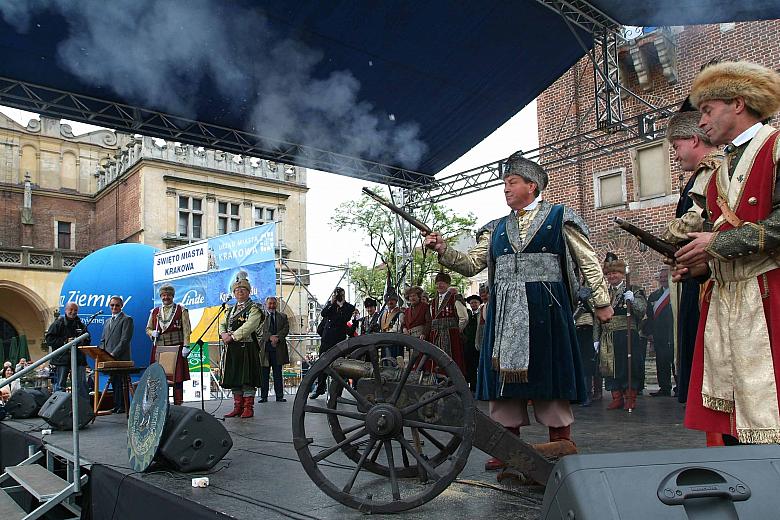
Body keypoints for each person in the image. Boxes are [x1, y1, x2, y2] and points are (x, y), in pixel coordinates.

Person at [425, 153, 612, 469]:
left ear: (532, 185)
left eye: (512, 183)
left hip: (548, 310)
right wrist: (443, 249)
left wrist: (602, 301)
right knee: (504, 383)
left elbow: (588, 260)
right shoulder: (495, 228)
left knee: (550, 376)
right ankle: (507, 448)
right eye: (504, 184)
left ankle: (560, 444)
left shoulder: (561, 218)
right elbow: (472, 265)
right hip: (504, 312)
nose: (506, 190)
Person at [674, 61, 780, 444]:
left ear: (738, 103)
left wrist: (715, 244)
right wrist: (699, 264)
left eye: (707, 109)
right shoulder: (720, 169)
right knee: (731, 416)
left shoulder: (776, 145)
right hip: (727, 301)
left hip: (769, 296)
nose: (701, 122)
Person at [661, 110, 722, 404]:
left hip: (716, 285)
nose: (675, 154)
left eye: (676, 146)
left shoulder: (713, 171)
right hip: (698, 279)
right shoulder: (698, 177)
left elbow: (695, 227)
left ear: (694, 140)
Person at [597, 254, 647, 411]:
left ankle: (630, 397)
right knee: (610, 367)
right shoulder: (603, 293)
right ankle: (616, 397)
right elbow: (596, 316)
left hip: (626, 334)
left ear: (622, 274)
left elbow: (642, 311)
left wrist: (632, 300)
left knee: (629, 366)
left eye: (615, 273)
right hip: (608, 336)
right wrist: (595, 339)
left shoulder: (634, 290)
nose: (612, 276)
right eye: (609, 274)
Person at [219, 274, 264, 418]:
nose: (240, 292)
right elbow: (222, 324)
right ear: (233, 293)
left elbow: (250, 325)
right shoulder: (230, 309)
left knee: (247, 377)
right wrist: (223, 334)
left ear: (249, 292)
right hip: (233, 348)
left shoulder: (254, 308)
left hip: (247, 347)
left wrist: (232, 336)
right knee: (235, 377)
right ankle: (237, 406)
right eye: (237, 290)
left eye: (243, 290)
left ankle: (248, 407)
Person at [147, 285, 191, 406]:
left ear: (173, 296)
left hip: (177, 347)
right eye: (163, 295)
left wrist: (186, 346)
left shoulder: (181, 310)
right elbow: (148, 328)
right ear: (161, 296)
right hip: (159, 349)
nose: (166, 297)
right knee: (159, 378)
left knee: (177, 378)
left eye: (168, 295)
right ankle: (161, 405)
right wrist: (152, 333)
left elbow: (187, 329)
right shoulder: (155, 312)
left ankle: (178, 404)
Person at [310, 287, 355, 399]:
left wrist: (341, 305)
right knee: (322, 365)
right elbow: (324, 314)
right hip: (326, 341)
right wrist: (332, 303)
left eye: (340, 294)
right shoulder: (330, 306)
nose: (338, 296)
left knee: (339, 367)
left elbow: (344, 318)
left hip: (338, 341)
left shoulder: (349, 307)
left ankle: (337, 392)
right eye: (336, 294)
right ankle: (320, 388)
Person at [45, 302, 90, 399]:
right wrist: (65, 341)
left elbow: (88, 340)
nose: (73, 312)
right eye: (71, 309)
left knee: (81, 385)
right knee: (60, 385)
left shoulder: (81, 325)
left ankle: (83, 409)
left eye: (75, 310)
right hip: (61, 359)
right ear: (65, 310)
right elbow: (49, 340)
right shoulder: (58, 324)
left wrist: (82, 341)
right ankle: (58, 408)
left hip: (78, 359)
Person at [427, 272, 468, 374]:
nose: (439, 285)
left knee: (451, 359)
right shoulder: (433, 302)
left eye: (442, 283)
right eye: (437, 283)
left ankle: (453, 382)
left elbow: (464, 318)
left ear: (448, 284)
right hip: (435, 335)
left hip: (451, 336)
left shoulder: (455, 298)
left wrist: (457, 330)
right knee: (436, 359)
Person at [101, 296, 134, 413]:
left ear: (121, 306)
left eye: (117, 305)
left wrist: (113, 354)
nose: (114, 307)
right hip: (109, 359)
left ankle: (124, 406)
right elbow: (103, 340)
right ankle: (117, 405)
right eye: (112, 305)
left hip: (121, 358)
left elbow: (125, 340)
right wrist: (102, 354)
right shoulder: (107, 321)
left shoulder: (127, 319)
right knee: (114, 382)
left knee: (121, 382)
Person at [646, 268, 674, 397]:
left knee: (675, 361)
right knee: (661, 362)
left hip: (673, 332)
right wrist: (650, 333)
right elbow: (649, 316)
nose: (663, 279)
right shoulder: (654, 296)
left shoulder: (675, 293)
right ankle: (664, 387)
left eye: (665, 276)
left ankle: (680, 387)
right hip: (659, 334)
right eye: (661, 277)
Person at [257, 296, 290, 403]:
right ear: (266, 305)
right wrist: (270, 338)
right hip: (265, 349)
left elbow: (285, 329)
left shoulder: (283, 316)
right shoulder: (261, 317)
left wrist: (277, 338)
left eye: (273, 303)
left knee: (278, 374)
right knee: (264, 374)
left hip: (278, 349)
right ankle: (264, 396)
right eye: (270, 303)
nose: (272, 305)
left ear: (276, 304)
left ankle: (279, 396)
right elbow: (260, 330)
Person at [462, 295, 482, 392]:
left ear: (479, 303)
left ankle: (477, 386)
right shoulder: (468, 314)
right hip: (468, 344)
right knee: (469, 365)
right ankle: (470, 386)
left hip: (478, 344)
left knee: (477, 364)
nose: (473, 304)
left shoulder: (481, 314)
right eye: (472, 303)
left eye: (475, 302)